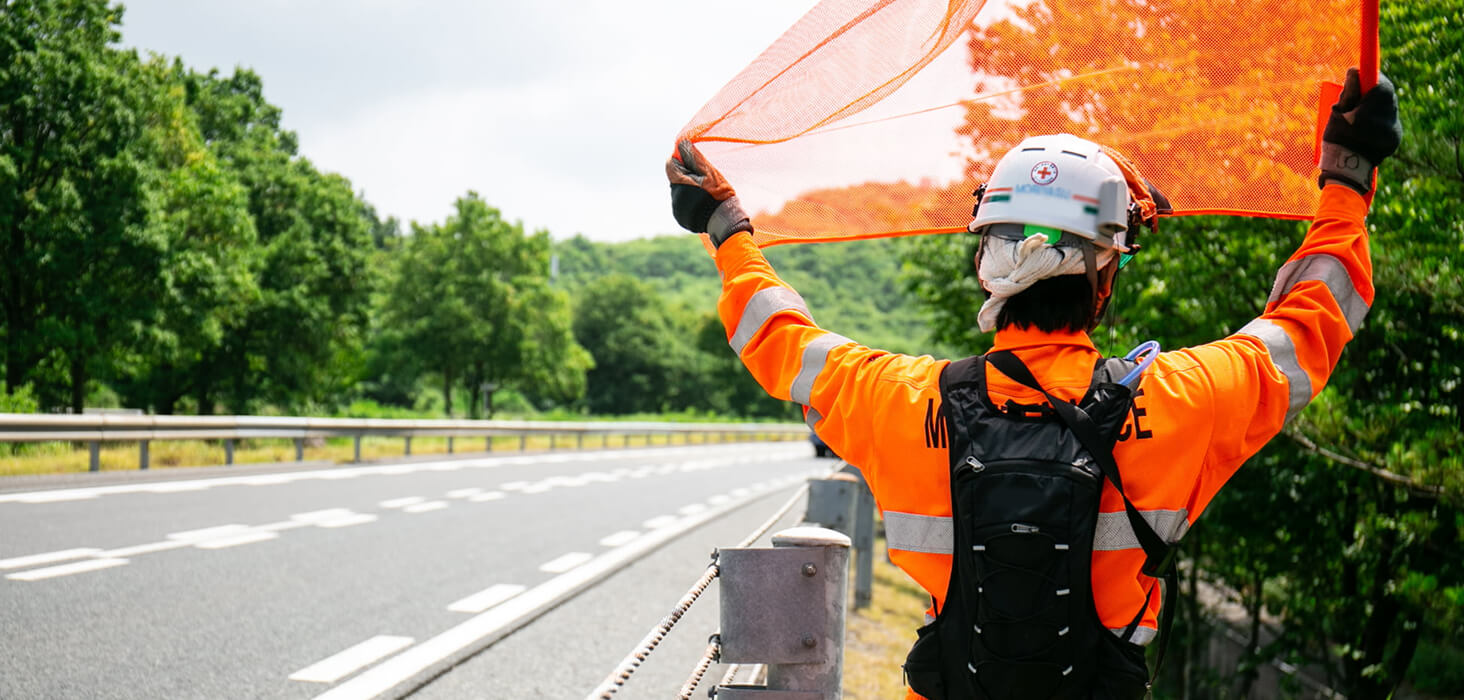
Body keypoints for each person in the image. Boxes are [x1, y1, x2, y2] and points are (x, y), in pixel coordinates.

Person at [667, 68, 1400, 699]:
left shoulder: (901, 399)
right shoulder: (1185, 399)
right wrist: (1347, 180)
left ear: (986, 261)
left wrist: (727, 229)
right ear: (1105, 275)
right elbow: (1312, 321)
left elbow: (780, 341)